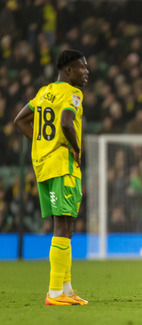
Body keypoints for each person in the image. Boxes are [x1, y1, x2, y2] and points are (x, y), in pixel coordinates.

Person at [13, 49, 89, 306]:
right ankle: (54, 292)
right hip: (62, 166)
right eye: (82, 67)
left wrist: (42, 144)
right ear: (68, 70)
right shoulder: (73, 93)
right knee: (62, 226)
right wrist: (76, 150)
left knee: (67, 226)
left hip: (44, 166)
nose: (86, 71)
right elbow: (67, 123)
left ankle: (66, 290)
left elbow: (21, 120)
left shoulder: (45, 92)